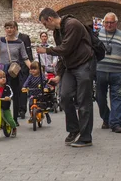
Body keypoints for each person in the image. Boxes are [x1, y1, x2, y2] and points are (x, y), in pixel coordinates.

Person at [37, 8, 94, 148]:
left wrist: (46, 50)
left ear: (50, 19)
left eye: (45, 24)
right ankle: (74, 130)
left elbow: (66, 48)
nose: (46, 28)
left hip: (83, 65)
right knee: (65, 97)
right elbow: (63, 55)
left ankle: (86, 137)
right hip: (70, 67)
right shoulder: (58, 32)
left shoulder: (72, 24)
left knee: (83, 101)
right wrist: (58, 75)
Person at [0, 21, 31, 125]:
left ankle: (14, 119)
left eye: (11, 27)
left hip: (14, 71)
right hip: (2, 70)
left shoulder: (20, 42)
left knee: (15, 95)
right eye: (7, 28)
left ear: (15, 28)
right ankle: (0, 118)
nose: (9, 30)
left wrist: (33, 68)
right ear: (5, 29)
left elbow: (25, 58)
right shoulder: (1, 40)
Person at [95, 12, 121, 133]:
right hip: (100, 71)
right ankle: (106, 118)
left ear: (116, 23)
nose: (109, 25)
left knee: (117, 97)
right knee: (100, 98)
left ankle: (116, 123)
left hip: (117, 72)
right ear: (103, 23)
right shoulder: (97, 35)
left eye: (111, 22)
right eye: (107, 22)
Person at [14, 22, 32, 119]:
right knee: (15, 89)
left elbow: (28, 52)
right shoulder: (7, 39)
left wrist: (31, 67)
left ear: (16, 28)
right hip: (12, 66)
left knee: (23, 88)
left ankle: (22, 109)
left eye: (12, 28)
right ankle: (16, 109)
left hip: (23, 66)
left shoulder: (24, 37)